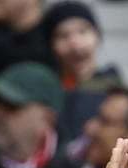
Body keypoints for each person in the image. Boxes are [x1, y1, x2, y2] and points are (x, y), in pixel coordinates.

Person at [46, 1, 122, 141]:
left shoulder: (114, 86)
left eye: (82, 31)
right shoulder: (49, 89)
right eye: (63, 35)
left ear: (97, 36)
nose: (74, 42)